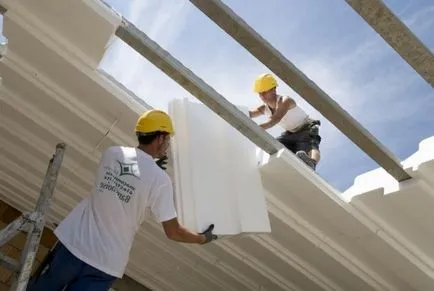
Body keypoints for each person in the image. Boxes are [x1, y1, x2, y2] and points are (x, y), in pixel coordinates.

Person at [27, 109, 217, 291]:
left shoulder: (111, 153)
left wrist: (149, 165)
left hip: (74, 247)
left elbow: (130, 174)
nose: (167, 144)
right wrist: (201, 238)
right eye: (167, 139)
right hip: (105, 264)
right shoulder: (160, 181)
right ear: (160, 138)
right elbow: (173, 232)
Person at [248, 73, 322, 170]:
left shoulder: (285, 101)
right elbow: (250, 114)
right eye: (259, 93)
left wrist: (255, 128)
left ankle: (312, 162)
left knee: (311, 145)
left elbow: (274, 120)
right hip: (290, 133)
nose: (261, 95)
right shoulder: (264, 108)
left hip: (307, 128)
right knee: (274, 144)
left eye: (264, 91)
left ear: (273, 89)